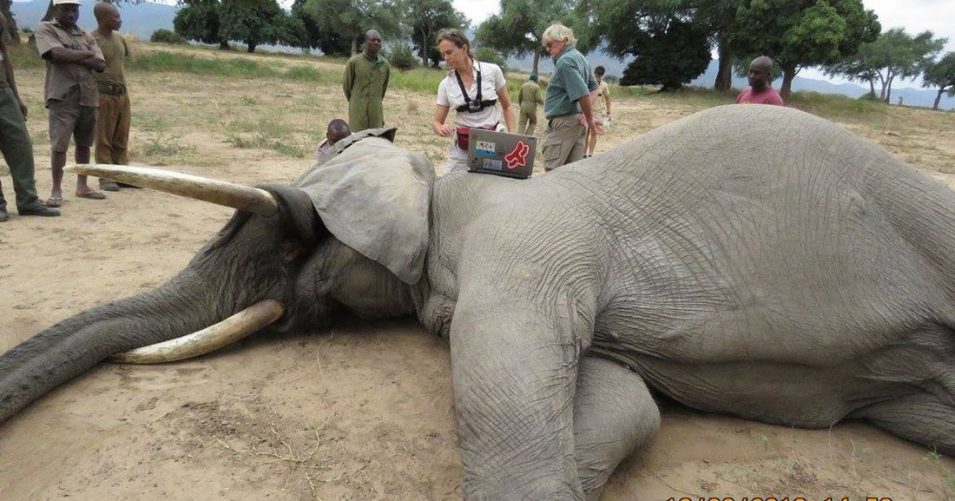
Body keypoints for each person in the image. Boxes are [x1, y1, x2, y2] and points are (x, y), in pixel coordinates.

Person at [36, 0, 107, 207]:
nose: (71, 13)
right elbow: (56, 54)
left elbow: (100, 64)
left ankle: (82, 186)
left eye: (74, 9)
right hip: (62, 96)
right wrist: (86, 54)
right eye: (66, 9)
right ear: (56, 9)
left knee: (84, 144)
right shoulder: (46, 28)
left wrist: (71, 55)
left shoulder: (85, 34)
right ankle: (56, 190)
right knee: (60, 146)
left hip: (88, 96)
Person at [0, 13, 60, 221]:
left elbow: (4, 58)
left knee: (21, 147)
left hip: (3, 92)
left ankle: (28, 201)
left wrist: (16, 97)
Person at [431, 28, 515, 174]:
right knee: (449, 183)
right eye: (443, 54)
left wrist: (512, 136)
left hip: (493, 142)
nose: (446, 58)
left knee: (494, 184)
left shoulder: (492, 71)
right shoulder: (445, 84)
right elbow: (437, 122)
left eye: (449, 52)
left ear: (464, 48)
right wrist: (440, 128)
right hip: (463, 146)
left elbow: (507, 106)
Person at [541, 23, 600, 171]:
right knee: (571, 172)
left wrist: (589, 118)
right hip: (577, 123)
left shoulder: (565, 61)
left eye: (550, 44)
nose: (548, 49)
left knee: (552, 171)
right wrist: (586, 115)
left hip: (564, 123)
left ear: (564, 40)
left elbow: (583, 93)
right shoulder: (580, 58)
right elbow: (594, 88)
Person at [91, 1, 132, 192]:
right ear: (102, 19)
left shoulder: (120, 38)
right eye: (115, 16)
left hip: (122, 94)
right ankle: (105, 176)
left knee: (121, 137)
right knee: (104, 137)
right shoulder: (91, 39)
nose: (119, 20)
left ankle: (122, 174)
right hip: (103, 94)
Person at [343, 30, 389, 132]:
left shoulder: (384, 64)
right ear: (365, 42)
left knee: (375, 137)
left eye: (379, 41)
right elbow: (347, 86)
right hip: (357, 110)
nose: (376, 42)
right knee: (356, 137)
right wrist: (356, 100)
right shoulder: (354, 62)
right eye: (372, 40)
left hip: (376, 111)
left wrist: (375, 100)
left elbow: (384, 87)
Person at [585, 65, 611, 158]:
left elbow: (608, 98)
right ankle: (583, 154)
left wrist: (609, 112)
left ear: (602, 76)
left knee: (594, 133)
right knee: (585, 133)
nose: (597, 78)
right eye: (596, 76)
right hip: (587, 111)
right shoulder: (587, 82)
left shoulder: (604, 85)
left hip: (597, 112)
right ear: (594, 74)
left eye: (599, 76)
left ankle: (590, 154)